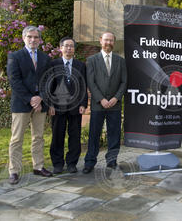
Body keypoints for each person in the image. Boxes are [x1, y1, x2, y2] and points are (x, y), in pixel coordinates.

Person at [7, 25, 53, 185]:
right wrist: (30, 99)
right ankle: (14, 171)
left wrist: (40, 98)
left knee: (38, 137)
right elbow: (14, 81)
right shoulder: (15, 56)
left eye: (36, 37)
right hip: (21, 104)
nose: (33, 40)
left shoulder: (45, 58)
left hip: (40, 104)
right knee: (16, 138)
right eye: (30, 37)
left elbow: (48, 80)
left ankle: (38, 166)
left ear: (40, 40)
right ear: (23, 38)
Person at [82, 32, 127, 173]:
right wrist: (101, 99)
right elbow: (91, 82)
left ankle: (112, 161)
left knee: (114, 134)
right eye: (106, 40)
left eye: (111, 40)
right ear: (101, 41)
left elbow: (124, 82)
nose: (109, 43)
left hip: (115, 104)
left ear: (114, 42)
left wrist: (116, 98)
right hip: (98, 104)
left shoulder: (120, 61)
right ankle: (89, 162)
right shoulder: (92, 60)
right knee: (94, 134)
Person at [48, 37, 88, 174]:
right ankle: (57, 164)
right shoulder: (53, 64)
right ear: (61, 48)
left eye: (71, 46)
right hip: (57, 108)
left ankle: (72, 163)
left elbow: (83, 86)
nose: (69, 48)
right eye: (66, 46)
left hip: (75, 107)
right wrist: (50, 105)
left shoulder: (80, 65)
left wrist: (83, 103)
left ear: (74, 49)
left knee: (75, 136)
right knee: (57, 135)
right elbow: (49, 86)